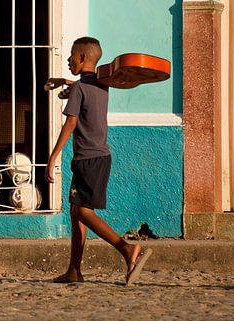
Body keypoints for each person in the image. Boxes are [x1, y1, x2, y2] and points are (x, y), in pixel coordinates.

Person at [44, 36, 152, 285]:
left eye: (71, 54)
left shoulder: (81, 89)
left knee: (83, 211)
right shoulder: (102, 86)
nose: (69, 59)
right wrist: (67, 83)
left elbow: (70, 123)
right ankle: (74, 270)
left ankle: (126, 249)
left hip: (87, 160)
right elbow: (84, 87)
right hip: (101, 157)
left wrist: (52, 158)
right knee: (76, 211)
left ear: (82, 57)